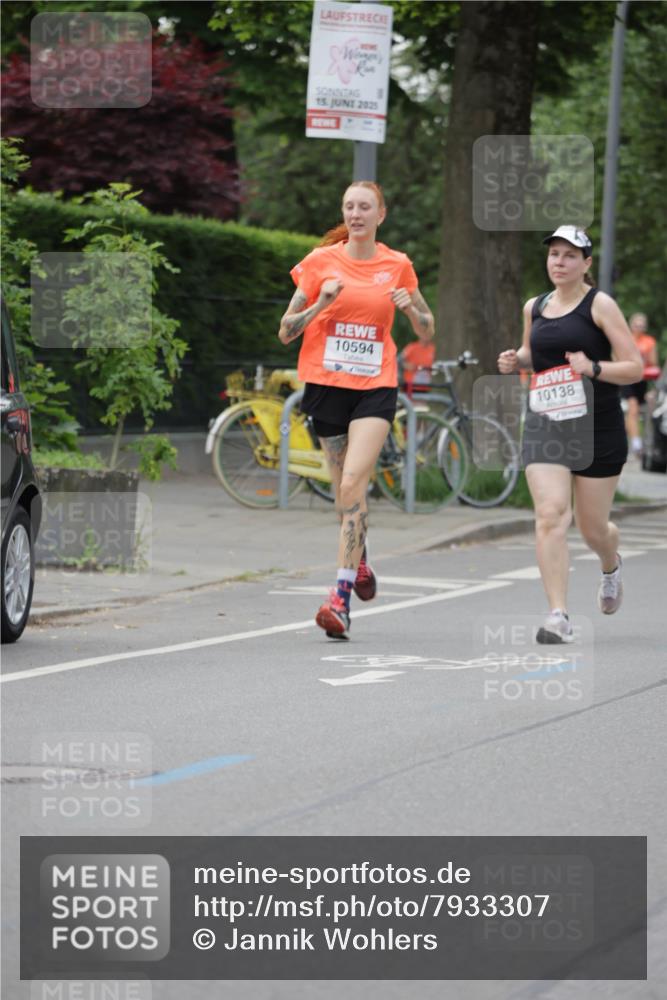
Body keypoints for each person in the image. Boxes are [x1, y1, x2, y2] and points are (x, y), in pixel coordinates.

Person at [278, 181, 434, 639]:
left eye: (365, 206)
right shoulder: (319, 262)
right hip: (327, 387)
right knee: (345, 501)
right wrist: (320, 304)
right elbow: (286, 332)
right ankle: (359, 562)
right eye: (349, 206)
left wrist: (412, 311)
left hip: (374, 388)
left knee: (352, 484)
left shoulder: (397, 265)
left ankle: (340, 601)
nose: (356, 213)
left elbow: (426, 331)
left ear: (380, 214)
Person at [497, 226, 642, 643]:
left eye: (569, 256)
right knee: (551, 513)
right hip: (547, 421)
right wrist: (516, 359)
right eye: (554, 255)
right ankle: (557, 615)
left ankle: (610, 563)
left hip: (597, 425)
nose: (559, 262)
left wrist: (593, 368)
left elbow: (632, 367)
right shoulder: (535, 306)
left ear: (586, 264)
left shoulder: (600, 306)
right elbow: (533, 352)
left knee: (592, 527)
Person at [621, 312, 659, 457]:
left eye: (642, 324)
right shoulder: (625, 339)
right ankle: (637, 445)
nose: (639, 327)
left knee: (634, 415)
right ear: (631, 325)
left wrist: (644, 358)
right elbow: (617, 358)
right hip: (627, 378)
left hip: (642, 379)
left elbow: (654, 364)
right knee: (633, 408)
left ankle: (624, 432)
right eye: (637, 324)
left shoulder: (649, 341)